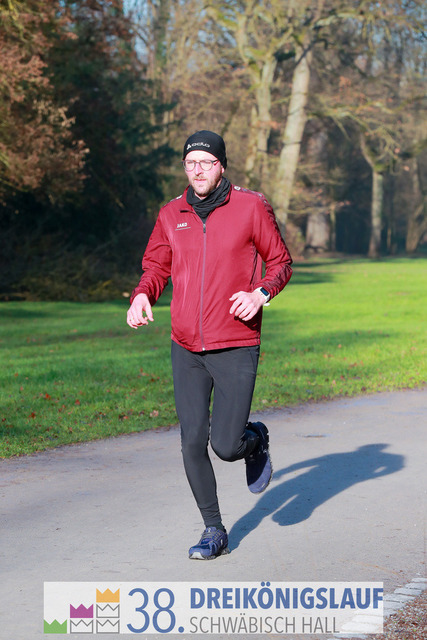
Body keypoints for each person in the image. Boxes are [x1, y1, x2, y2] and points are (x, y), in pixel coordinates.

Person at [127, 130, 293, 560]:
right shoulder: (172, 213)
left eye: (206, 162)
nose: (197, 170)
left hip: (236, 341)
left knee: (226, 445)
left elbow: (280, 261)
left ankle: (254, 439)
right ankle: (214, 529)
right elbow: (156, 265)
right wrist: (143, 294)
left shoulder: (250, 206)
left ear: (221, 165)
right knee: (191, 441)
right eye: (190, 163)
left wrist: (260, 294)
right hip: (186, 346)